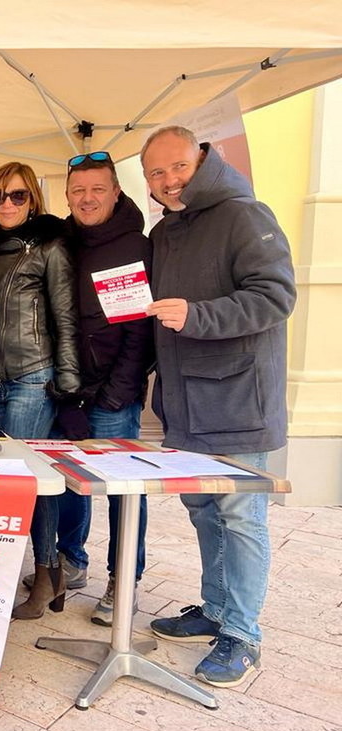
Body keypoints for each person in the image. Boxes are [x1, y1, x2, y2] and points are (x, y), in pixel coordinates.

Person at [142, 126, 295, 687]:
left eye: (179, 167)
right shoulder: (164, 232)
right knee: (204, 510)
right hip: (185, 405)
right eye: (157, 173)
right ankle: (214, 610)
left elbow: (276, 296)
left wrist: (198, 316)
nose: (169, 180)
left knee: (241, 517)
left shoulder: (245, 214)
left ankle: (243, 634)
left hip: (237, 403)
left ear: (202, 159)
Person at [0, 161, 79, 620]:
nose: (6, 204)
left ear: (33, 199)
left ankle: (47, 572)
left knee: (30, 480)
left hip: (34, 376)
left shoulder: (50, 245)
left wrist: (68, 384)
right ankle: (49, 573)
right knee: (19, 480)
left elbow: (65, 318)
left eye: (17, 195)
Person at [52, 151, 155, 626]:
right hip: (68, 388)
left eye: (97, 189)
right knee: (69, 481)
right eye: (78, 190)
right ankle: (71, 559)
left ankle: (124, 579)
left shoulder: (132, 246)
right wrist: (67, 391)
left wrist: (117, 393)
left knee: (123, 491)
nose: (87, 198)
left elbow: (138, 333)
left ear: (116, 192)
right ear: (67, 195)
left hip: (114, 394)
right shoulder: (62, 241)